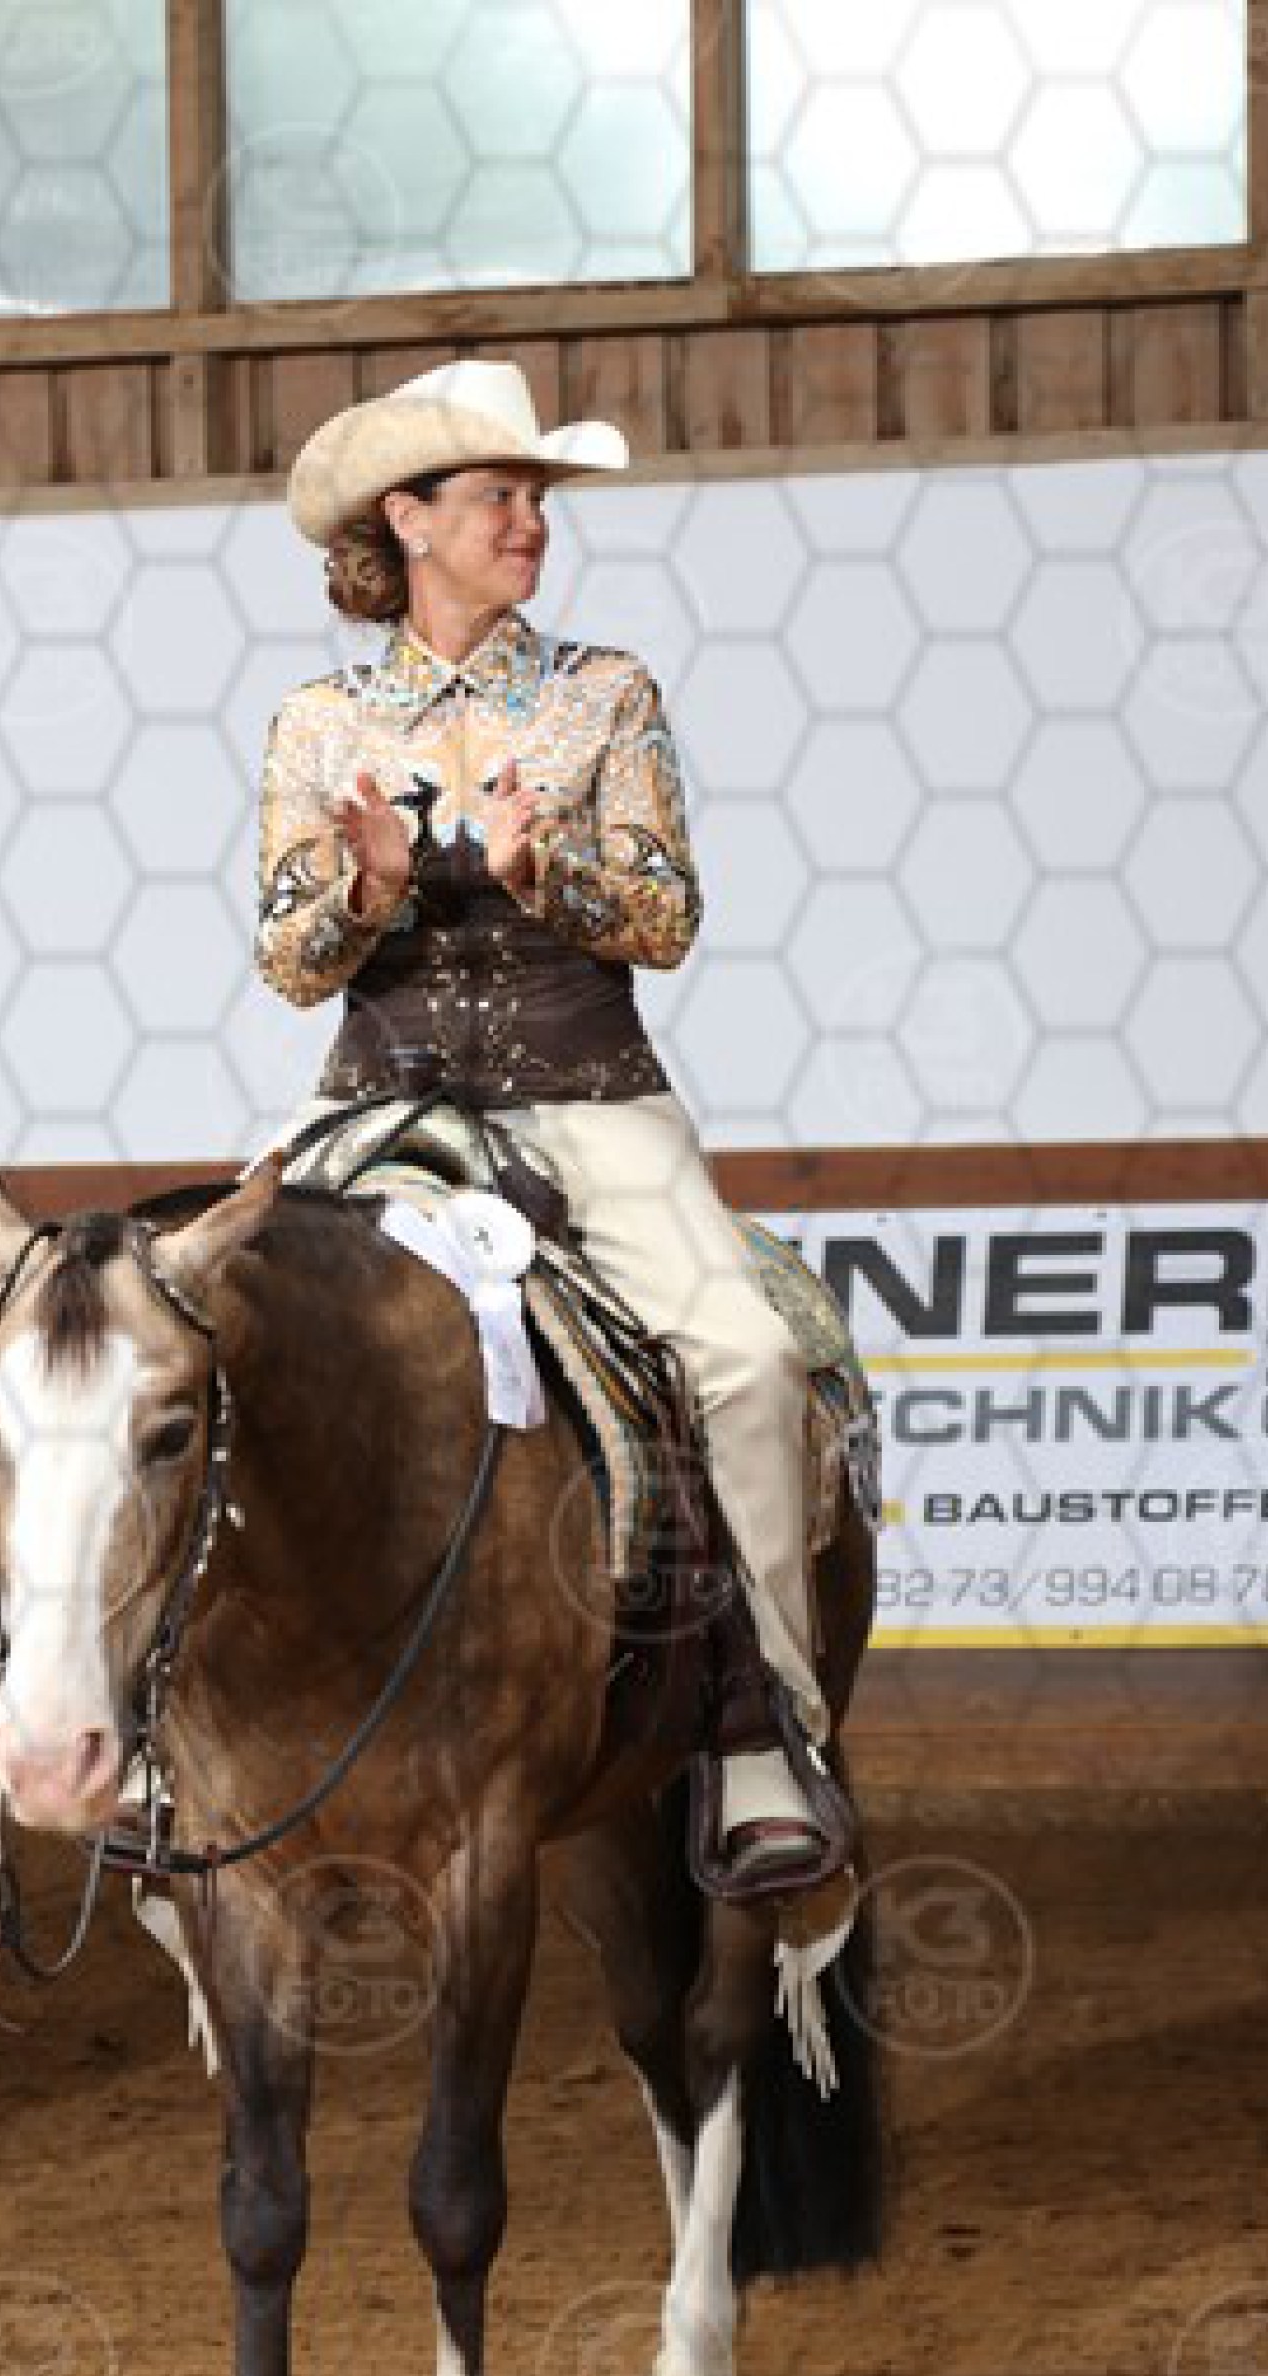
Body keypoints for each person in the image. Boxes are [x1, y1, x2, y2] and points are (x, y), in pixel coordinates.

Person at [252, 356, 840, 1885]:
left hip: (590, 1100)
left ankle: (768, 1736)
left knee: (751, 1361)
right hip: (375, 1106)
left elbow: (668, 918)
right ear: (409, 519)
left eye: (535, 498)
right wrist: (366, 887)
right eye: (498, 496)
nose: (530, 522)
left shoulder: (605, 693)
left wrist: (544, 875)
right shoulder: (318, 723)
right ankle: (177, 1738)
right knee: (208, 1328)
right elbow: (286, 959)